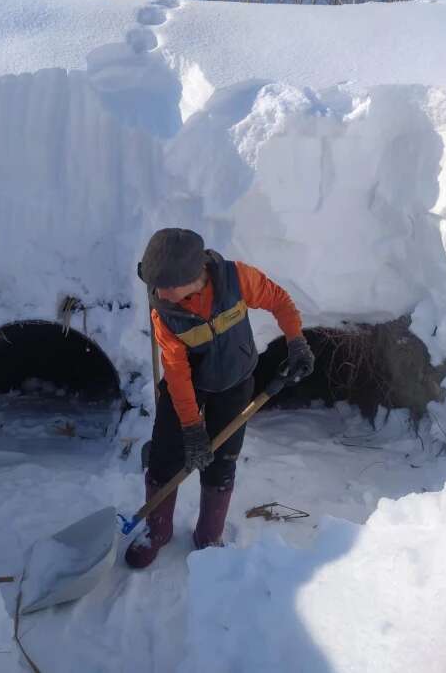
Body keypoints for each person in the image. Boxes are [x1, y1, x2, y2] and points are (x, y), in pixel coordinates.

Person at [125, 228, 314, 568]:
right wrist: (192, 427)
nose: (159, 293)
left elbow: (279, 301)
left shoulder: (237, 279)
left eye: (165, 285)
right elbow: (177, 372)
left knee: (222, 459)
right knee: (166, 457)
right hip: (187, 387)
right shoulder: (164, 312)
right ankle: (157, 530)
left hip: (235, 381)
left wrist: (296, 340)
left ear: (192, 276)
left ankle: (209, 535)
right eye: (154, 285)